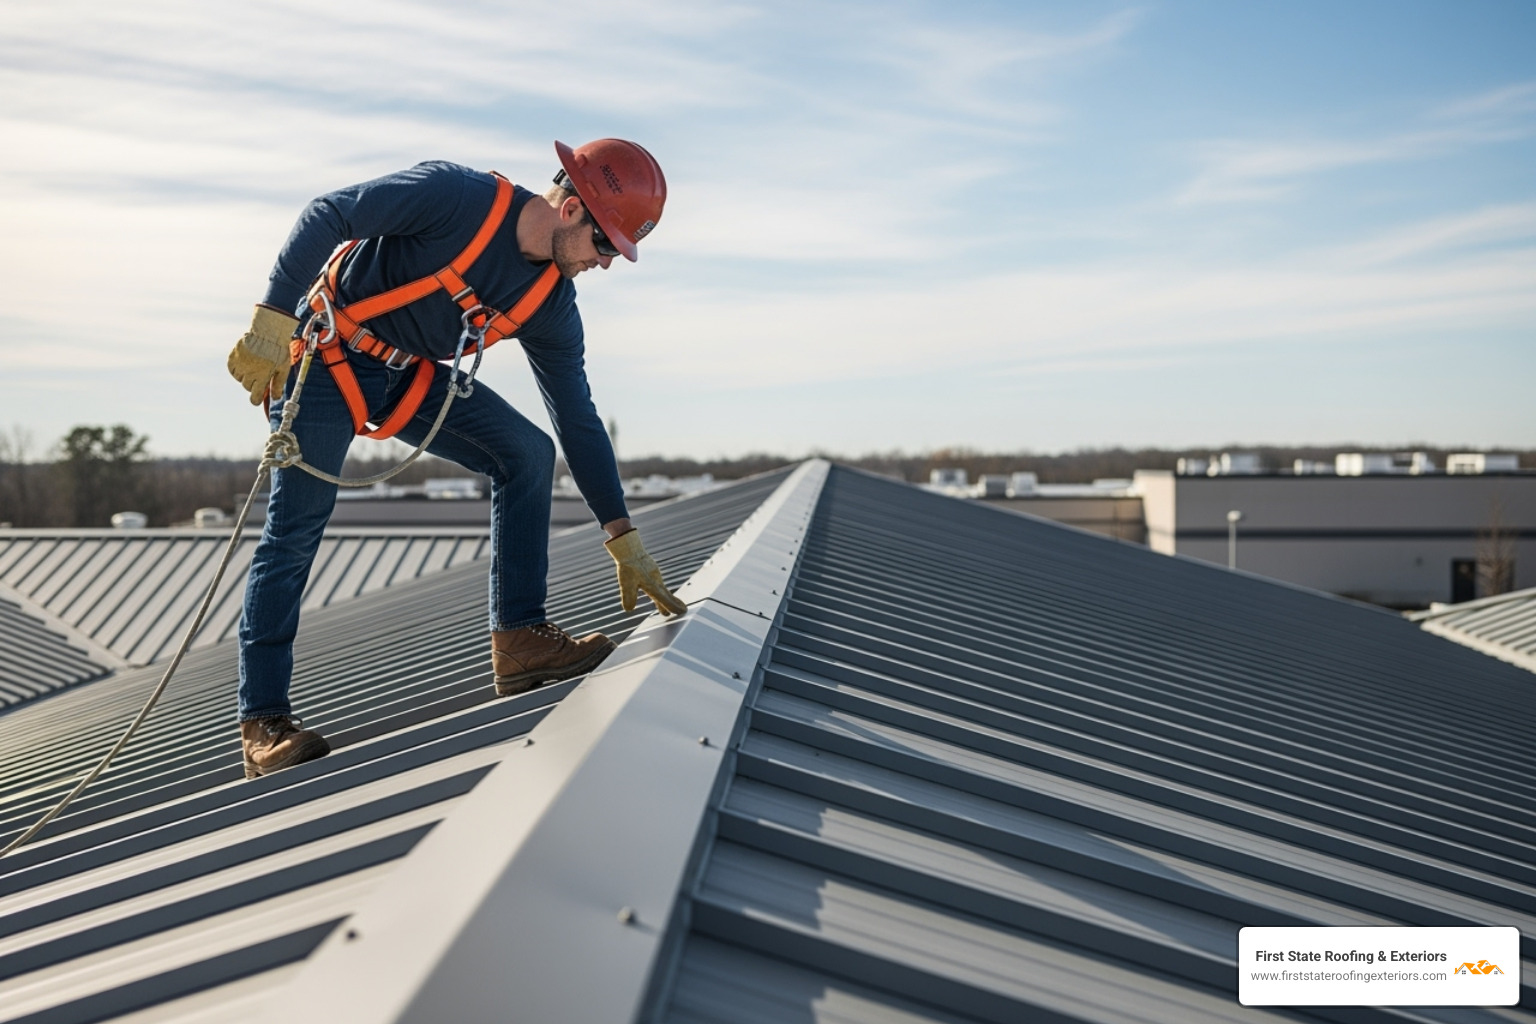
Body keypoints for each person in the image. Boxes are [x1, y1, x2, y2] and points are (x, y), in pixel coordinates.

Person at [225, 139, 685, 779]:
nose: (605, 265)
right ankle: (263, 721)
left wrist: (621, 532)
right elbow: (329, 213)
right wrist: (273, 317)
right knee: (298, 524)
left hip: (402, 375)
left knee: (527, 452)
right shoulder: (458, 199)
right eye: (606, 246)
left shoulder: (550, 304)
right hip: (324, 357)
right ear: (573, 209)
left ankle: (520, 638)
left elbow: (576, 417)